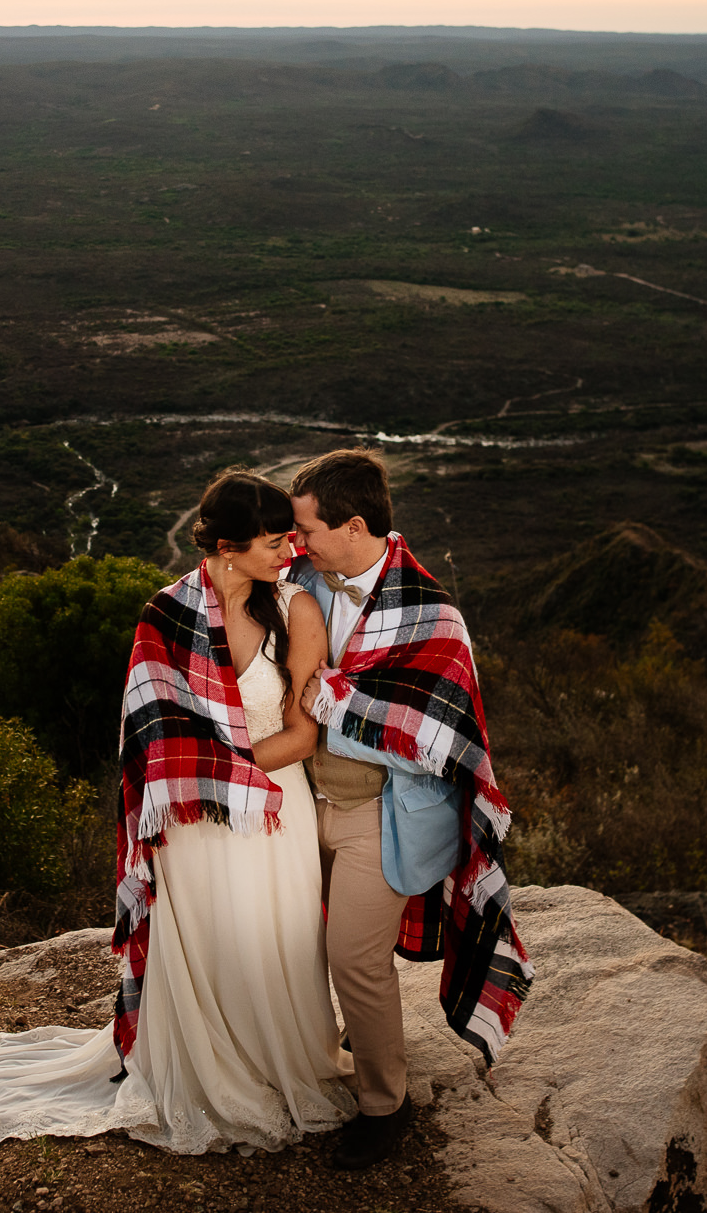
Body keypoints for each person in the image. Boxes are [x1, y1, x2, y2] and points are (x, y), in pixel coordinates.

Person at [0, 470, 356, 1154]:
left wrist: (217, 765)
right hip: (188, 823)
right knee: (210, 944)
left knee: (276, 941)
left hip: (272, 814)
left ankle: (286, 1063)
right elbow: (146, 734)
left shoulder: (298, 610)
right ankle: (204, 1068)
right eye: (275, 540)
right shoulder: (166, 616)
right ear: (227, 545)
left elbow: (304, 734)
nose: (289, 551)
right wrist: (198, 771)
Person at [286, 448, 532, 1171]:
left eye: (308, 529)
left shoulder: (435, 617)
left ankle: (383, 1106)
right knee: (301, 947)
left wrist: (336, 700)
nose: (298, 542)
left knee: (354, 958)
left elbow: (439, 742)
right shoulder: (300, 579)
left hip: (381, 817)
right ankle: (347, 1045)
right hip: (304, 805)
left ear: (354, 524)